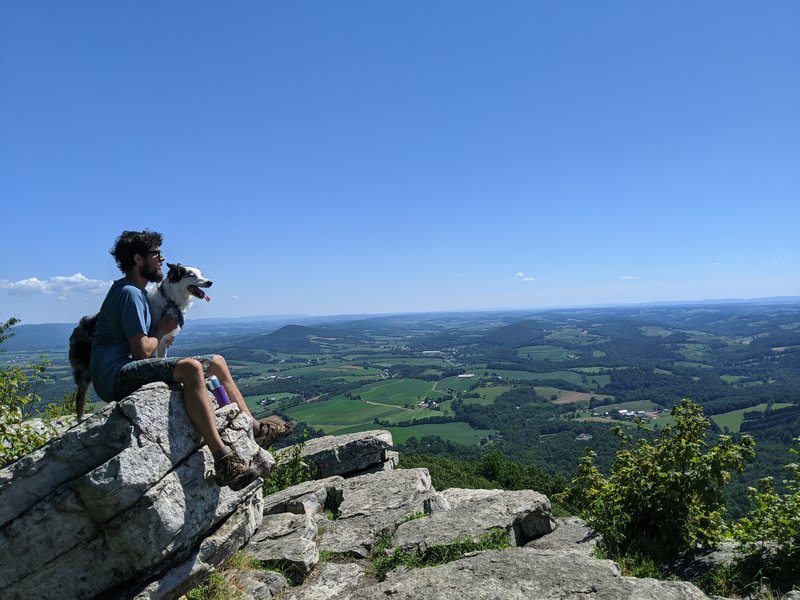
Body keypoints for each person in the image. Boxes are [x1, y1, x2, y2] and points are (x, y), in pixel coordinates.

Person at [90, 230, 295, 490]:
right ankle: (224, 461)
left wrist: (159, 336)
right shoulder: (130, 293)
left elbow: (145, 350)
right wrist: (161, 330)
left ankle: (255, 428)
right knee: (191, 368)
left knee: (217, 362)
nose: (162, 260)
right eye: (156, 254)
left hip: (124, 367)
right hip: (114, 376)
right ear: (138, 260)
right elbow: (142, 351)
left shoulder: (137, 292)